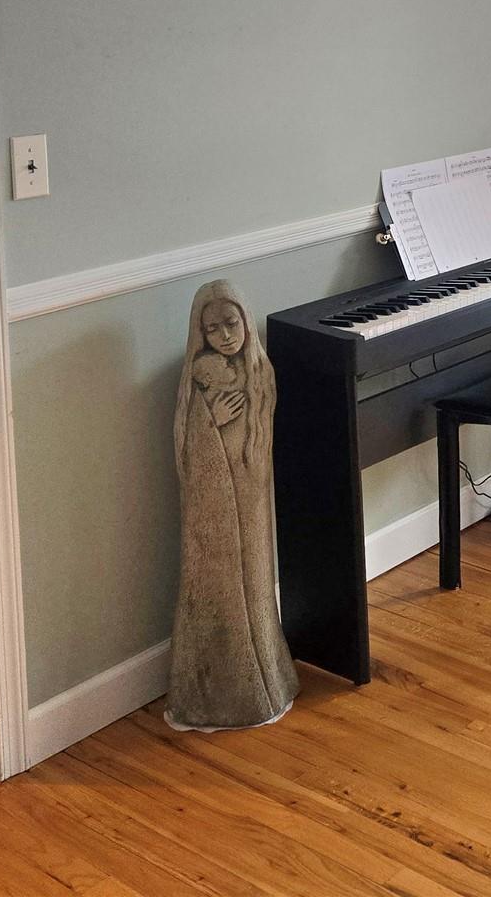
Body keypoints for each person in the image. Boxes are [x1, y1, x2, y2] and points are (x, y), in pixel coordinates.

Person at [165, 281, 299, 730]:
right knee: (221, 584)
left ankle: (268, 675)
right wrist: (212, 421)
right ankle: (219, 690)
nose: (224, 335)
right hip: (215, 511)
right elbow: (188, 450)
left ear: (245, 320)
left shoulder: (260, 372)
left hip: (253, 495)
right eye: (212, 328)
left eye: (231, 323)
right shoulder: (200, 380)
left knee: (258, 584)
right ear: (199, 334)